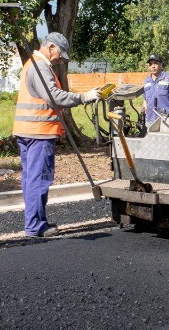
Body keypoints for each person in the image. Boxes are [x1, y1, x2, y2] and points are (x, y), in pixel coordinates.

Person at [14, 32, 107, 239]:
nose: (59, 58)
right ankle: (35, 226)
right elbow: (54, 97)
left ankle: (35, 222)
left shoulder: (32, 65)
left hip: (28, 132)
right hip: (39, 133)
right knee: (39, 180)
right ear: (51, 47)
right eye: (59, 53)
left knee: (31, 180)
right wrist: (85, 96)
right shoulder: (39, 67)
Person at [141, 54, 169, 128]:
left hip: (168, 119)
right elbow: (145, 99)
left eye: (155, 63)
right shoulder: (146, 81)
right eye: (150, 64)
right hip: (151, 119)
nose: (153, 66)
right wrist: (145, 107)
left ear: (161, 64)